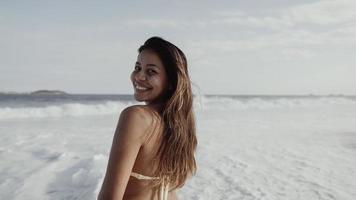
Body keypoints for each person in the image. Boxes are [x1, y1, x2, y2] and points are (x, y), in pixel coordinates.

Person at [97, 36, 197, 200]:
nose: (139, 76)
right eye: (137, 68)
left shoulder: (136, 117)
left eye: (151, 71)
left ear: (172, 81)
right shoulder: (181, 127)